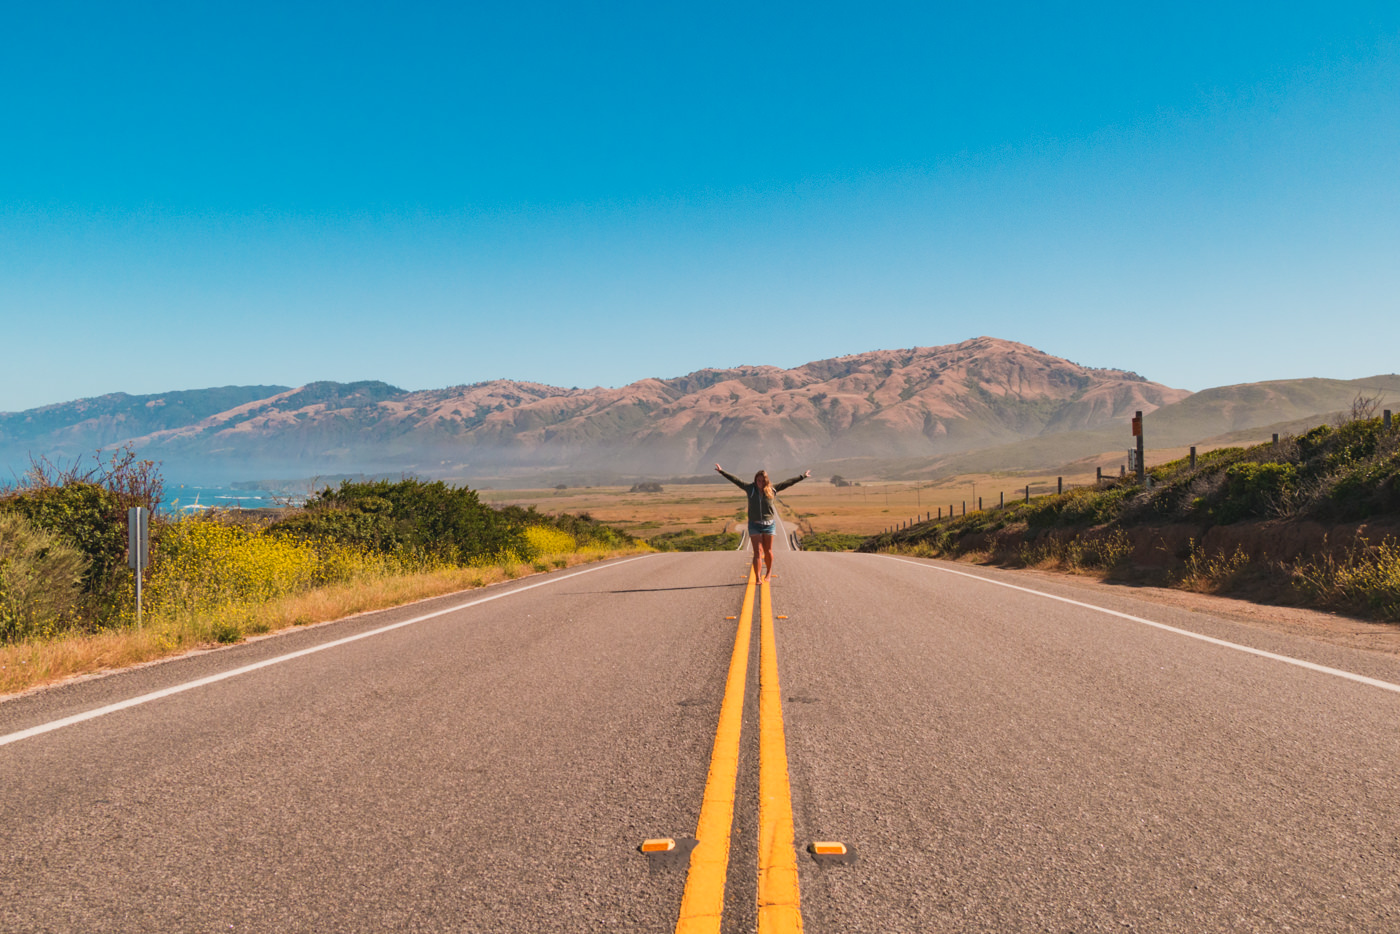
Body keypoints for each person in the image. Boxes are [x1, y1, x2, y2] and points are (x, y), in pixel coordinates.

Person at [714, 463, 811, 582]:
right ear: (755, 480)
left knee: (768, 551)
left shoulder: (772, 489)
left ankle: (769, 573)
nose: (760, 482)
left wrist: (803, 476)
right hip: (754, 525)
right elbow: (736, 480)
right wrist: (722, 471)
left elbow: (788, 482)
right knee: (757, 552)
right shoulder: (750, 488)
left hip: (769, 525)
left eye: (762, 480)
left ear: (766, 480)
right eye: (758, 480)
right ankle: (758, 577)